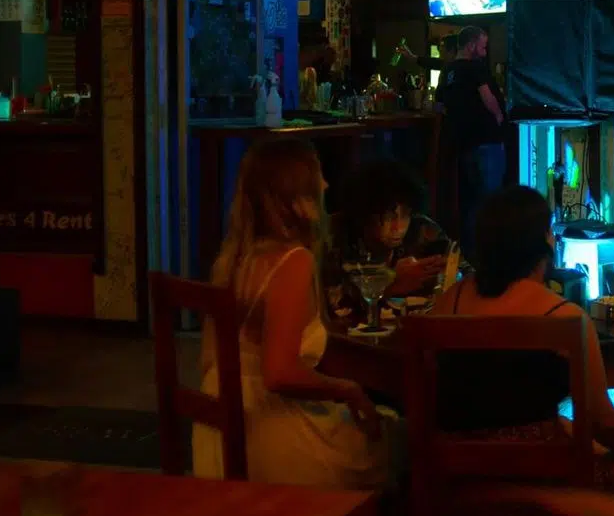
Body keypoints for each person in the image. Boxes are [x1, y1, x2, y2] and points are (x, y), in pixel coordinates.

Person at [192, 138, 390, 489]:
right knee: (401, 441)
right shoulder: (291, 262)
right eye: (318, 179)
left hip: (218, 431)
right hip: (269, 439)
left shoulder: (238, 256)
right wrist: (347, 389)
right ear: (297, 201)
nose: (327, 186)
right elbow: (279, 373)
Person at [433, 186, 614, 464]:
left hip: (455, 472)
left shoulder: (447, 303)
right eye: (549, 231)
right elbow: (602, 419)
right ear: (542, 243)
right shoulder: (564, 317)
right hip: (542, 477)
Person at [323, 159, 450, 318]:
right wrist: (389, 284)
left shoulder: (422, 230)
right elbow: (330, 306)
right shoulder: (334, 235)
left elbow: (465, 275)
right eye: (389, 217)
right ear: (365, 214)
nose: (398, 227)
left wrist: (448, 275)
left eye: (405, 215)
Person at [438, 25, 507, 259]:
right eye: (483, 46)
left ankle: (469, 254)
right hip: (487, 140)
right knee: (490, 201)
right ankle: (489, 254)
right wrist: (498, 115)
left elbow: (440, 105)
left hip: (464, 144)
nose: (485, 52)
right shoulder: (475, 68)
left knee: (470, 203)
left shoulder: (447, 70)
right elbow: (487, 97)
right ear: (470, 45)